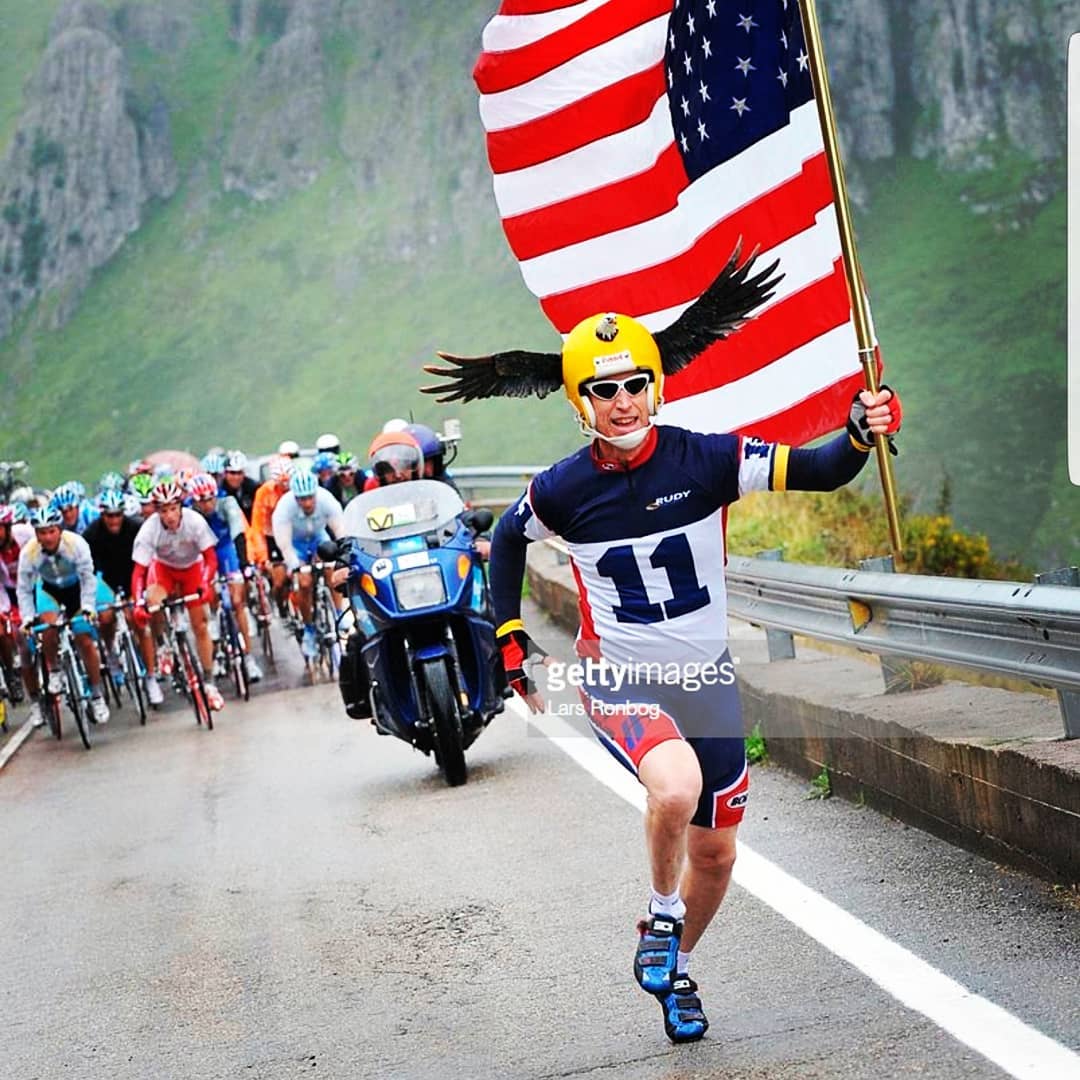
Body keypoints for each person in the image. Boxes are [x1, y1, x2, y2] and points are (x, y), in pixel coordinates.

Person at [423, 251, 903, 1044]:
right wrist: (509, 636)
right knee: (674, 790)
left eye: (635, 384)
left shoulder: (708, 458)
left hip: (707, 678)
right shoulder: (562, 488)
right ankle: (658, 915)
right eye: (604, 390)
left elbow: (819, 470)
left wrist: (857, 429)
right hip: (623, 675)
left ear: (657, 384)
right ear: (580, 401)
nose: (623, 402)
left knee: (717, 856)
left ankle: (673, 965)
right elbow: (505, 541)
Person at [130, 481, 225, 712]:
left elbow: (211, 559)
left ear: (181, 507)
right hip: (164, 570)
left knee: (200, 625)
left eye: (173, 509)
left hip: (193, 569)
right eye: (163, 510)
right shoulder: (149, 530)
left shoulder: (195, 522)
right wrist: (138, 603)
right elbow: (139, 572)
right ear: (156, 511)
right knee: (153, 600)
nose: (170, 516)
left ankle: (210, 682)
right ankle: (163, 644)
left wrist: (204, 581)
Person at [16, 505, 110, 724]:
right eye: (41, 532)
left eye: (51, 531)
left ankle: (97, 695)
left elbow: (88, 578)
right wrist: (28, 617)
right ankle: (56, 669)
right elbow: (24, 588)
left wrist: (87, 606)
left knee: (85, 640)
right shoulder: (29, 553)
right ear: (36, 534)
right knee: (48, 627)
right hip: (50, 591)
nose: (47, 537)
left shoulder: (76, 544)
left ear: (59, 529)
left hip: (76, 589)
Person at [83, 489, 161, 705]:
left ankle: (151, 677)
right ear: (102, 515)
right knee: (106, 617)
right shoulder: (91, 534)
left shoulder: (136, 527)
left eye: (118, 515)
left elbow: (147, 560)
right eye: (110, 516)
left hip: (131, 576)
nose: (114, 520)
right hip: (105, 579)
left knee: (138, 622)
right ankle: (110, 653)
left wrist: (139, 593)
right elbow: (87, 569)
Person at [188, 473, 262, 683]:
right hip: (203, 553)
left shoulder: (227, 503)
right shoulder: (190, 513)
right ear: (194, 500)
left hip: (226, 549)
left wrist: (244, 564)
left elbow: (238, 533)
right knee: (209, 600)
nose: (207, 503)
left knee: (237, 601)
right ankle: (217, 651)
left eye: (210, 498)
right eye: (202, 500)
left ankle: (248, 657)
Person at [271, 470, 344, 659]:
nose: (307, 503)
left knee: (332, 570)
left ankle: (338, 613)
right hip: (296, 544)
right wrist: (295, 564)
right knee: (304, 583)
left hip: (319, 538)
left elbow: (341, 530)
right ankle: (309, 629)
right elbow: (284, 544)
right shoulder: (285, 507)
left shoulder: (327, 500)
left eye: (310, 498)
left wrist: (343, 554)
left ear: (316, 494)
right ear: (295, 497)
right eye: (301, 499)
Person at [247, 455, 293, 617]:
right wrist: (262, 557)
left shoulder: (298, 488)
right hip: (272, 536)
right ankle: (281, 606)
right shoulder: (263, 493)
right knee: (279, 581)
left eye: (288, 482)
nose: (285, 486)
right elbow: (257, 526)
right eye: (282, 484)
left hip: (294, 533)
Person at [221, 450, 259, 523]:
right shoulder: (220, 491)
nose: (236, 477)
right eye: (232, 473)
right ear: (225, 474)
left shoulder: (253, 487)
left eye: (239, 473)